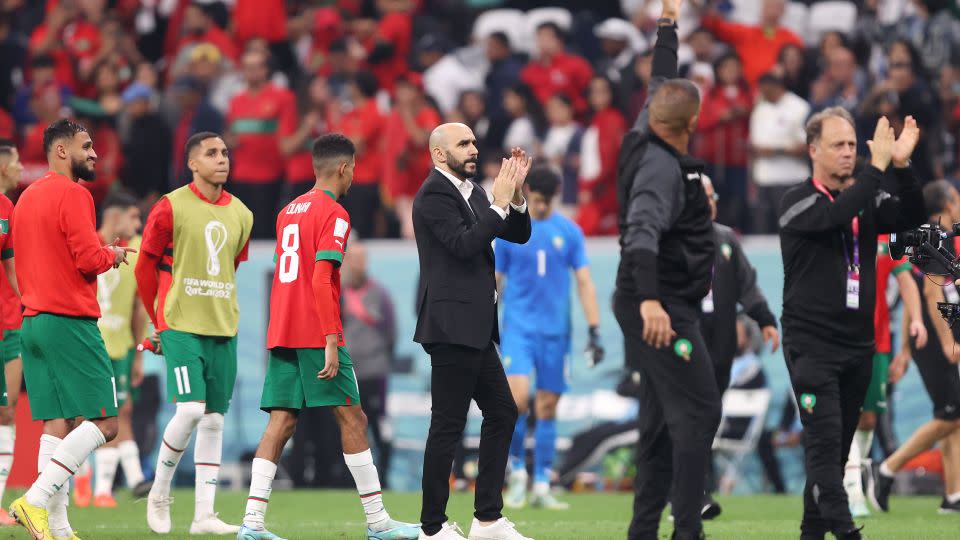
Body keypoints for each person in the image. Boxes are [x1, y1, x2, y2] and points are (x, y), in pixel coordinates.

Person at [238, 134, 418, 540]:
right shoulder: (334, 213)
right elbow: (321, 277)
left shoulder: (288, 211)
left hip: (282, 328)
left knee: (281, 421)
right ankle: (378, 523)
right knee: (352, 415)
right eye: (353, 167)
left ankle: (250, 525)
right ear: (343, 168)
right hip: (312, 331)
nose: (354, 175)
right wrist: (332, 337)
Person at [777, 108, 924, 539]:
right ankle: (847, 533)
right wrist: (876, 168)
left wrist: (901, 166)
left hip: (859, 346)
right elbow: (837, 215)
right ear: (813, 150)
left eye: (853, 146)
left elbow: (912, 223)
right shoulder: (796, 201)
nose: (849, 153)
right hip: (812, 347)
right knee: (823, 448)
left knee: (836, 452)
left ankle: (812, 533)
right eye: (839, 145)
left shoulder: (868, 196)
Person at [613, 0, 720, 538]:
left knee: (657, 424)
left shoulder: (643, 132)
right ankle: (688, 530)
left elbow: (661, 78)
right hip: (661, 305)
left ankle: (643, 532)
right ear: (693, 123)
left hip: (654, 299)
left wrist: (667, 28)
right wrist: (651, 301)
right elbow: (641, 235)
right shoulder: (659, 167)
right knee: (701, 410)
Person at [8, 118, 133, 540]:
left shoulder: (25, 199)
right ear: (62, 151)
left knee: (57, 422)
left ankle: (58, 528)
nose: (94, 153)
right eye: (86, 145)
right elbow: (86, 259)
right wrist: (112, 254)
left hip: (33, 322)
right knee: (106, 422)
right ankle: (36, 500)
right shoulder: (75, 194)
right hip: (69, 321)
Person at [412, 123, 532, 540]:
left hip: (477, 327)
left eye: (475, 142)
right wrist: (497, 205)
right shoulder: (432, 195)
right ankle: (432, 527)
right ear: (439, 154)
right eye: (464, 144)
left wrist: (514, 197)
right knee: (448, 423)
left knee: (502, 412)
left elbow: (517, 233)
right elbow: (464, 246)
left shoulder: (474, 192)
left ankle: (487, 520)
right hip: (450, 325)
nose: (474, 149)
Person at [137, 131, 253, 535]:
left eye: (225, 152)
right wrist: (156, 321)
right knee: (189, 410)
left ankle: (204, 515)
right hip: (180, 322)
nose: (222, 159)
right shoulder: (170, 206)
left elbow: (229, 267)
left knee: (214, 420)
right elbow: (144, 267)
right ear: (192, 163)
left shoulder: (242, 213)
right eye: (212, 153)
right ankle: (159, 492)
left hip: (223, 325)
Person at [496, 167, 603, 511]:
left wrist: (594, 328)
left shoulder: (569, 233)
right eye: (536, 200)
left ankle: (542, 482)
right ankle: (516, 475)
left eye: (545, 201)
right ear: (528, 193)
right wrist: (483, 321)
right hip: (519, 329)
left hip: (556, 333)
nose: (539, 208)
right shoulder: (511, 231)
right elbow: (496, 281)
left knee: (547, 407)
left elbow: (584, 281)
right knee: (517, 401)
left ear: (555, 196)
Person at [870, 179, 960, 514]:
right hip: (936, 340)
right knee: (951, 415)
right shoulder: (938, 238)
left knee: (951, 413)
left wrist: (907, 348)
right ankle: (887, 469)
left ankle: (952, 496)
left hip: (926, 338)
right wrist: (950, 343)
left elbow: (915, 299)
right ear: (949, 203)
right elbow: (929, 294)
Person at [698, 174, 779, 519]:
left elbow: (747, 284)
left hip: (721, 345)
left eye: (712, 195)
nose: (710, 201)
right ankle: (694, 491)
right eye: (703, 195)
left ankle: (693, 489)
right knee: (692, 415)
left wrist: (764, 319)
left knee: (709, 415)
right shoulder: (670, 240)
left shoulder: (726, 239)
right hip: (687, 341)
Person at [843, 230, 927, 518]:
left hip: (877, 344)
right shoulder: (834, 232)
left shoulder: (884, 241)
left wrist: (916, 320)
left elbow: (907, 281)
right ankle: (852, 490)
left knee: (868, 418)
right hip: (839, 341)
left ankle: (857, 470)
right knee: (847, 415)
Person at [90, 193, 152, 506]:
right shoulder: (88, 243)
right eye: (133, 217)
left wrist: (139, 351)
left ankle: (117, 484)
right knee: (95, 414)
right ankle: (93, 484)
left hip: (122, 345)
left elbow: (139, 307)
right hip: (91, 342)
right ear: (115, 218)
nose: (138, 225)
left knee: (121, 411)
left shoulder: (138, 251)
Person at [342, 241, 397, 481]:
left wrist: (380, 358)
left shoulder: (379, 294)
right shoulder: (338, 294)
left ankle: (383, 476)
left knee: (379, 425)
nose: (358, 264)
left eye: (362, 259)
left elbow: (391, 333)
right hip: (348, 373)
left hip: (375, 373)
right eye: (353, 259)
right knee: (350, 426)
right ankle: (349, 479)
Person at [0, 140, 21, 526]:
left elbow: (14, 267)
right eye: (16, 161)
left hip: (8, 323)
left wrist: (28, 303)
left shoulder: (8, 209)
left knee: (6, 411)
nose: (21, 167)